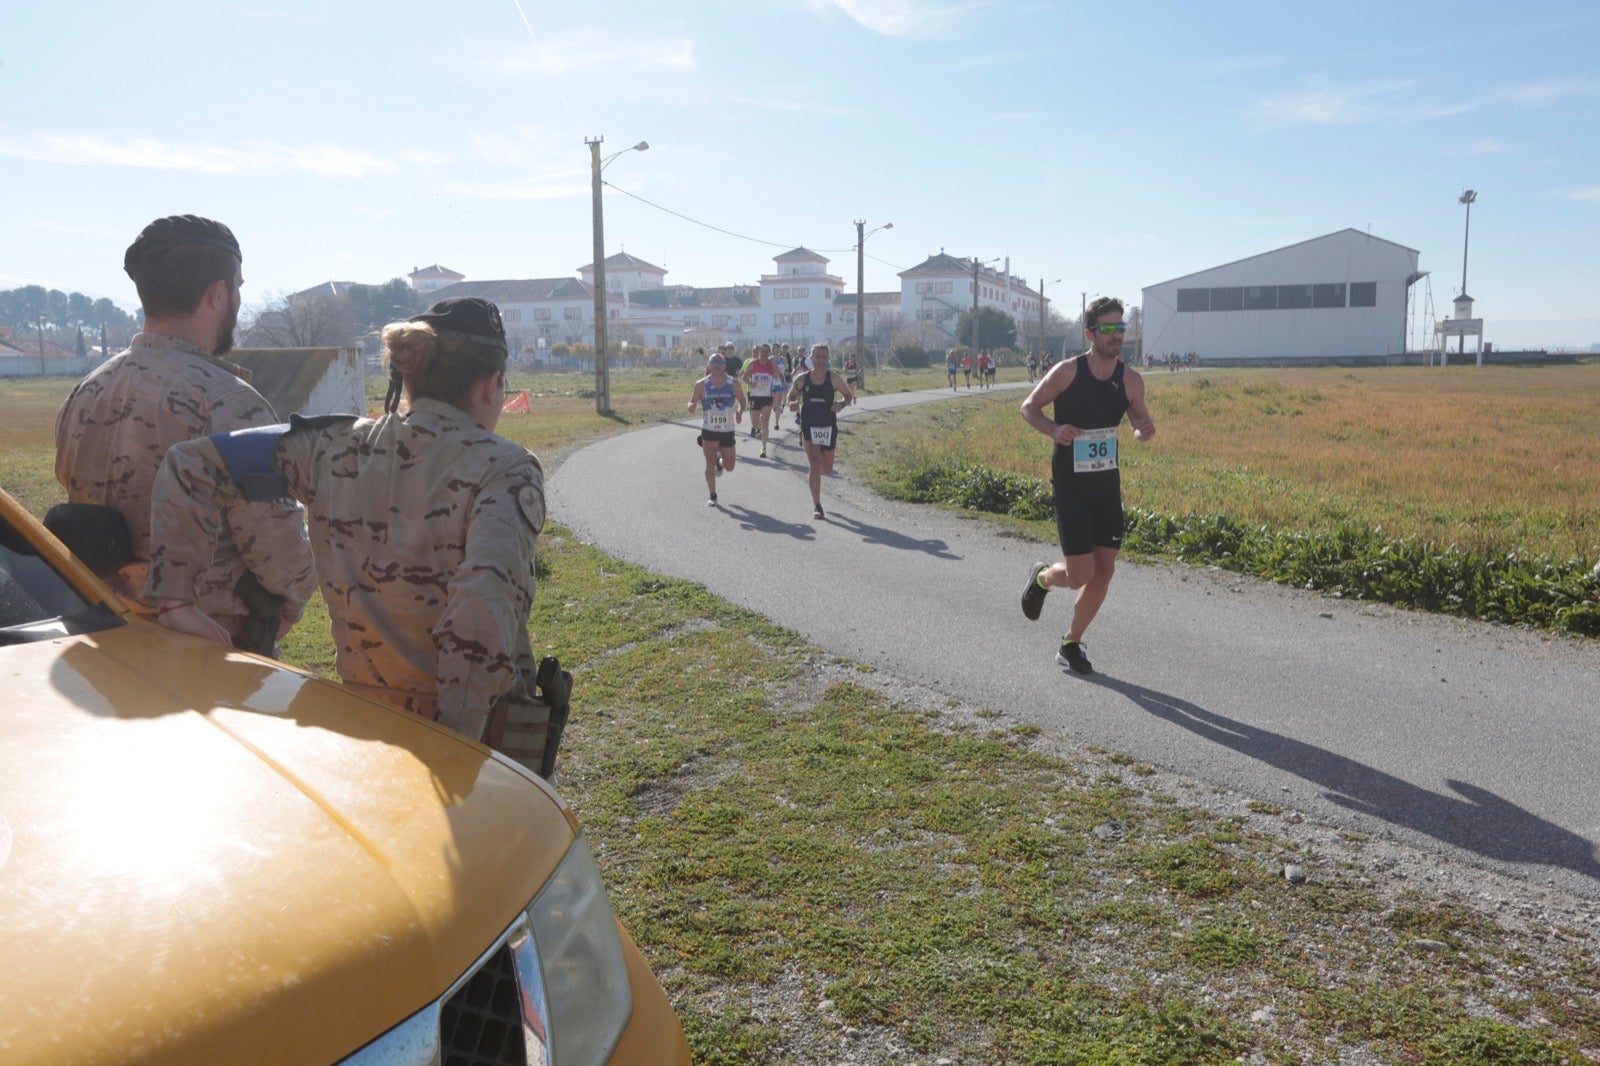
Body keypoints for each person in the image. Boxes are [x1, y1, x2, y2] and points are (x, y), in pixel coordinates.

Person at [146, 297, 553, 763]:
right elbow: (481, 611)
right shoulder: (504, 467)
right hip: (472, 751)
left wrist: (175, 601)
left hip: (364, 730)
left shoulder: (331, 447)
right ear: (491, 385)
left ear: (408, 379)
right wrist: (455, 751)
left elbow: (191, 462)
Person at [53, 214, 314, 652]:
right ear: (218, 294)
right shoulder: (228, 401)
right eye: (238, 289)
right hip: (209, 639)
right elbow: (278, 547)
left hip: (107, 631)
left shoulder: (86, 391)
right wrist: (294, 598)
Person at [1018, 296, 1156, 675]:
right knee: (1081, 574)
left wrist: (1143, 430)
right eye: (1108, 329)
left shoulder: (1130, 379)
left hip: (1106, 486)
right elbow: (1029, 407)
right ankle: (1044, 576)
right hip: (1071, 484)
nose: (1116, 336)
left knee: (1105, 570)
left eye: (1121, 328)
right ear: (1090, 333)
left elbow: (1139, 423)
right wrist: (1054, 429)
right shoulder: (1067, 372)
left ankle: (1071, 642)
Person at [785, 344, 854, 520]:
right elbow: (791, 396)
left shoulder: (834, 378)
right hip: (809, 426)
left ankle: (817, 485)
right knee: (814, 465)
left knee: (826, 469)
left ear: (828, 359)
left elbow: (848, 395)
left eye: (824, 357)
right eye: (817, 357)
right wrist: (792, 404)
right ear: (811, 358)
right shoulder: (802, 379)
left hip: (828, 426)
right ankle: (817, 505)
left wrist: (841, 404)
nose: (821, 360)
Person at [689, 350, 747, 506]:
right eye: (713, 362)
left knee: (730, 466)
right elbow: (692, 401)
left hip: (727, 431)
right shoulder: (701, 384)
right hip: (709, 430)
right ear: (709, 365)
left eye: (719, 363)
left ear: (724, 366)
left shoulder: (733, 383)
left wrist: (740, 412)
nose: (716, 365)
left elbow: (742, 400)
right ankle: (712, 495)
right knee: (708, 465)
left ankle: (719, 463)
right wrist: (691, 405)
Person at [741, 342, 782, 457]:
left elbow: (779, 375)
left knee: (766, 421)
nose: (764, 353)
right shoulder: (753, 364)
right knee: (754, 422)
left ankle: (763, 448)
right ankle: (757, 427)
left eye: (766, 351)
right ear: (758, 352)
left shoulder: (772, 365)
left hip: (767, 397)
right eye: (762, 351)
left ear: (769, 353)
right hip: (755, 396)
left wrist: (776, 379)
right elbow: (743, 376)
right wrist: (750, 383)